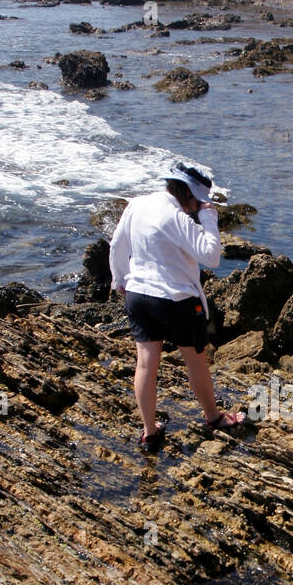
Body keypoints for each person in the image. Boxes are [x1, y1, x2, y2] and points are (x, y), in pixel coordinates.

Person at [109, 163, 247, 451]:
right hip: (177, 301)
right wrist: (209, 220)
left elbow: (117, 245)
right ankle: (213, 418)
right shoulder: (177, 218)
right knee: (195, 361)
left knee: (146, 363)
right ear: (186, 192)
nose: (196, 207)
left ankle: (149, 431)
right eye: (197, 201)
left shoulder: (137, 204)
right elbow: (211, 257)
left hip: (138, 295)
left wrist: (120, 279)